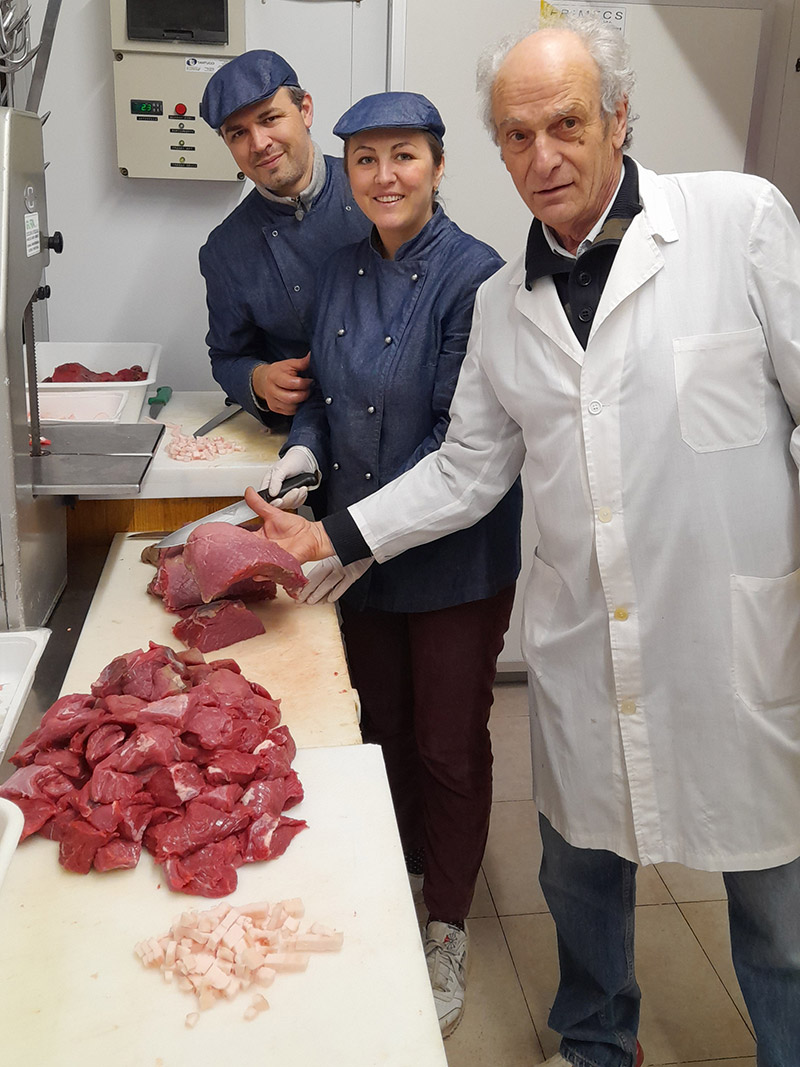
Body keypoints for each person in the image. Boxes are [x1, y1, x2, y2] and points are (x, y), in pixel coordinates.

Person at [245, 17, 800, 1067]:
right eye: (516, 134)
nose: (542, 156)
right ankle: (595, 1043)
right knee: (576, 872)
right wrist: (328, 534)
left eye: (566, 124)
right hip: (585, 641)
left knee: (777, 906)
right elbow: (466, 469)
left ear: (618, 118)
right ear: (494, 148)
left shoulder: (738, 223)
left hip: (734, 637)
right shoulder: (504, 305)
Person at [265, 91, 522, 1037]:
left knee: (447, 741)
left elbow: (458, 442)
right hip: (356, 556)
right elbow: (322, 398)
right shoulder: (337, 269)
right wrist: (303, 455)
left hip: (452, 560)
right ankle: (401, 871)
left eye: (404, 155)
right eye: (366, 159)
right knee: (381, 726)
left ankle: (446, 919)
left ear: (439, 166)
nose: (384, 176)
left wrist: (347, 531)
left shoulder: (477, 277)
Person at [198, 50, 370, 426]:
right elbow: (227, 356)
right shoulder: (224, 250)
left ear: (305, 110)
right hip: (302, 429)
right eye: (238, 133)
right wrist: (258, 379)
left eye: (270, 119)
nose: (259, 143)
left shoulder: (377, 192)